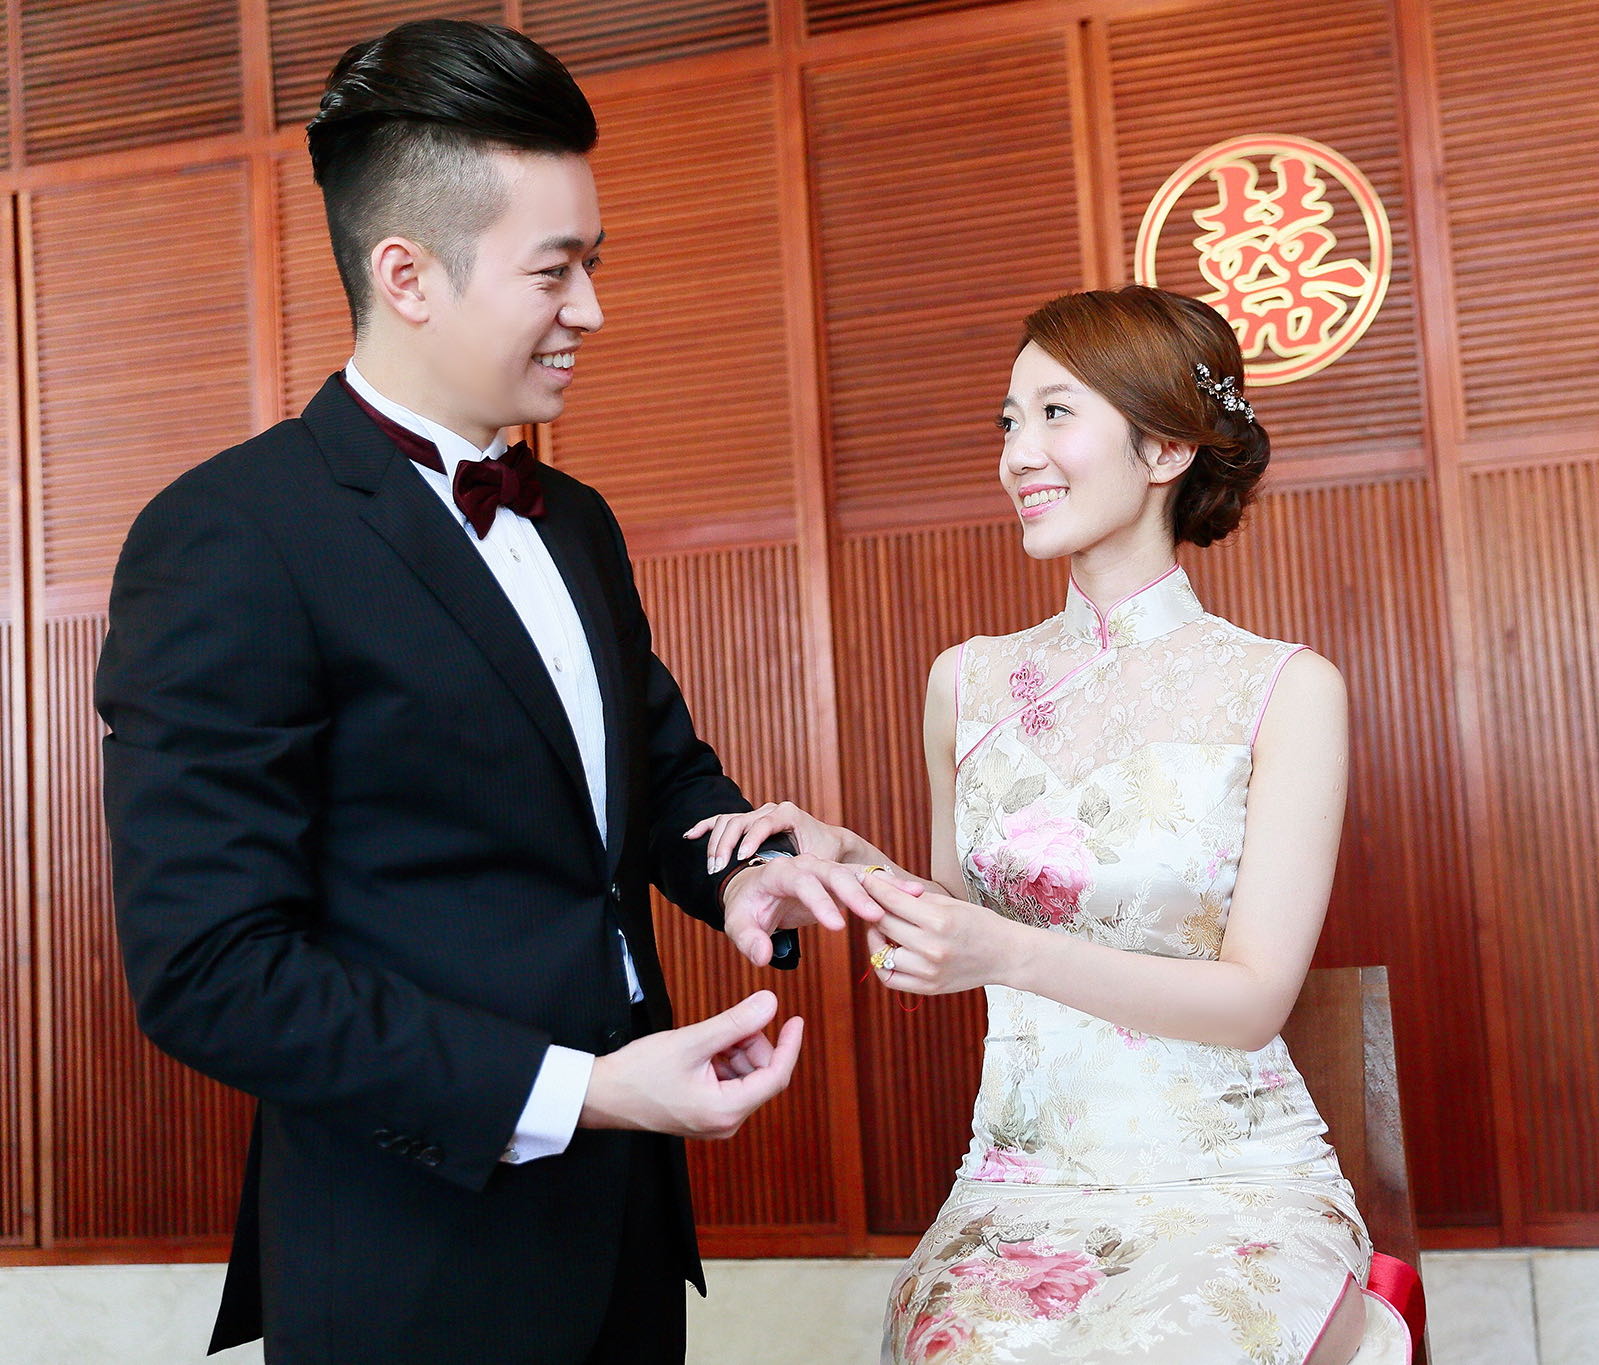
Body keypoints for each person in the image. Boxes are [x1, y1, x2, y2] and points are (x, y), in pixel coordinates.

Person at [96, 20, 888, 1363]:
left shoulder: (573, 519)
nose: (592, 311)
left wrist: (745, 871)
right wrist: (583, 1093)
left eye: (595, 264)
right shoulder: (231, 536)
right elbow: (210, 971)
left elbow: (654, 777)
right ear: (406, 273)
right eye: (554, 270)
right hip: (409, 1262)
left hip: (624, 1236)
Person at [695, 286, 1401, 1363]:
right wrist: (850, 866)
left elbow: (1255, 998)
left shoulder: (1282, 689)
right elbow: (957, 922)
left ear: (1167, 448)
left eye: (1056, 413)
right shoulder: (966, 682)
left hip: (1232, 1185)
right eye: (1009, 420)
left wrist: (1009, 953)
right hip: (1018, 1186)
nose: (1017, 453)